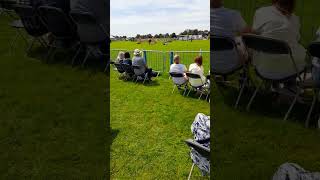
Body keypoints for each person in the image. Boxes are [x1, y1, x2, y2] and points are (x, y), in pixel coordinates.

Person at [252, 0, 306, 83]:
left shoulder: (260, 12)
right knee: (302, 56)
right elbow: (297, 39)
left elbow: (255, 33)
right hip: (287, 70)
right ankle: (290, 85)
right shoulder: (295, 19)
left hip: (263, 69)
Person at [211, 0, 251, 66]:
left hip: (211, 65)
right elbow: (247, 32)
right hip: (231, 63)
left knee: (238, 39)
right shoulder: (234, 14)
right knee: (241, 40)